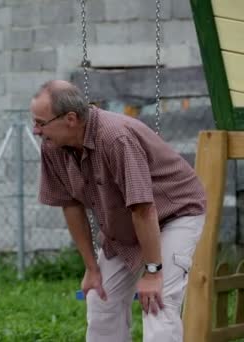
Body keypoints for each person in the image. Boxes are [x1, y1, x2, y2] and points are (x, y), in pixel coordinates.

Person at [30, 80, 206, 342]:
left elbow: (143, 209)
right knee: (101, 299)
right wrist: (91, 267)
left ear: (70, 119)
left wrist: (153, 272)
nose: (36, 130)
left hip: (173, 214)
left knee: (157, 301)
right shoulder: (53, 146)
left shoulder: (116, 138)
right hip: (124, 224)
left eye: (41, 123)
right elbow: (70, 204)